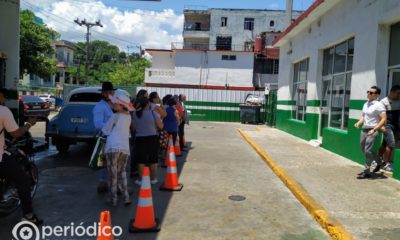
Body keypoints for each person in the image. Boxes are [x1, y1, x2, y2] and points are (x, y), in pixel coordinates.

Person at [0, 88, 42, 224]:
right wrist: (29, 124)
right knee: (23, 180)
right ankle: (28, 215)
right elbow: (16, 133)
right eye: (3, 96)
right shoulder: (3, 111)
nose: (4, 99)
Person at [102, 91, 134, 206]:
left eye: (116, 103)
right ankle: (126, 197)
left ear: (121, 105)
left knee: (112, 174)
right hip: (124, 147)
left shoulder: (115, 116)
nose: (113, 105)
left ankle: (113, 199)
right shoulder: (129, 117)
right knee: (122, 173)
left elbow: (105, 130)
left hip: (112, 147)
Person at [354, 86, 387, 179]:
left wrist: (374, 129)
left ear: (377, 95)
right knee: (364, 150)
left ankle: (366, 171)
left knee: (368, 150)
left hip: (373, 130)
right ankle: (380, 162)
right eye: (368, 92)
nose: (369, 93)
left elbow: (383, 119)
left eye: (371, 93)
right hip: (364, 129)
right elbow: (364, 117)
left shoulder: (379, 105)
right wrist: (358, 123)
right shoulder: (366, 104)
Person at [132, 97, 163, 185]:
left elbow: (133, 127)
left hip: (139, 139)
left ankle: (140, 180)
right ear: (147, 104)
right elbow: (161, 126)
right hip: (152, 138)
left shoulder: (135, 114)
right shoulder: (153, 113)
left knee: (141, 160)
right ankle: (153, 179)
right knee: (153, 159)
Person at [93, 82, 116, 193]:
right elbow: (97, 124)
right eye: (106, 92)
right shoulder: (100, 106)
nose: (109, 94)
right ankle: (104, 183)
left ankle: (112, 184)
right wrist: (114, 126)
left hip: (114, 138)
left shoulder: (114, 104)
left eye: (111, 92)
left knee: (112, 162)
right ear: (103, 93)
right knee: (104, 162)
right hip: (105, 137)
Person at [378, 85, 400, 172]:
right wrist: (382, 126)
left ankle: (377, 159)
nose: (399, 95)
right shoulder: (383, 102)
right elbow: (379, 116)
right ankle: (386, 164)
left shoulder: (399, 101)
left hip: (396, 126)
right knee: (391, 144)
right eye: (398, 93)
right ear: (392, 92)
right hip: (387, 125)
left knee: (384, 144)